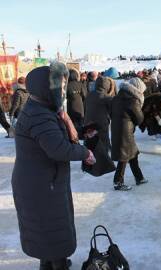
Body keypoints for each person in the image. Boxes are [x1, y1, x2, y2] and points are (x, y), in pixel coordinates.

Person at [12, 63, 95, 270]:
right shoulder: (39, 115)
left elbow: (54, 135)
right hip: (41, 185)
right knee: (51, 232)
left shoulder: (42, 109)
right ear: (46, 88)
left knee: (47, 233)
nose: (63, 89)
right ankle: (57, 265)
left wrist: (81, 132)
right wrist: (85, 153)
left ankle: (50, 263)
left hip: (42, 181)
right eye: (59, 85)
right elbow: (58, 149)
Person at [111, 79, 148, 191]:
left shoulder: (118, 97)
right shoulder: (132, 100)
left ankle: (139, 177)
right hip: (125, 131)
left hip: (117, 128)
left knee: (133, 153)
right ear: (138, 89)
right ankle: (118, 182)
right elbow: (139, 119)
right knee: (124, 155)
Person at [84, 76, 113, 150]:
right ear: (107, 86)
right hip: (101, 124)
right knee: (103, 145)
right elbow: (112, 111)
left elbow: (85, 107)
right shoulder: (107, 97)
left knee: (89, 144)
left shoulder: (89, 94)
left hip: (88, 123)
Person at [66, 68, 86, 137]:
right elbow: (85, 95)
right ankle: (80, 136)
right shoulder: (80, 84)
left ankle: (73, 136)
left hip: (70, 106)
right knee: (80, 122)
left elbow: (65, 96)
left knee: (72, 122)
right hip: (80, 106)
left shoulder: (67, 86)